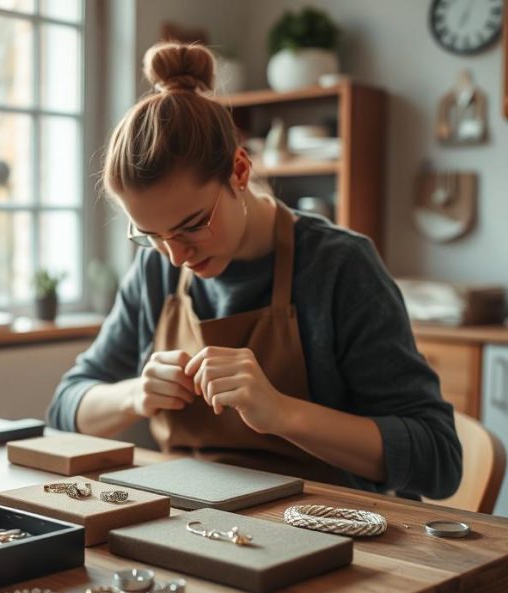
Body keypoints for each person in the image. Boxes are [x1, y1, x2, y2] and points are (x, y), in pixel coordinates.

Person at [47, 42, 461, 499]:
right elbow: (65, 408)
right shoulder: (155, 269)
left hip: (331, 527)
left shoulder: (340, 267)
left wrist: (283, 413)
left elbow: (438, 460)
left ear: (239, 172)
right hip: (195, 521)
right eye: (150, 235)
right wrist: (135, 395)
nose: (176, 257)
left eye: (192, 226)